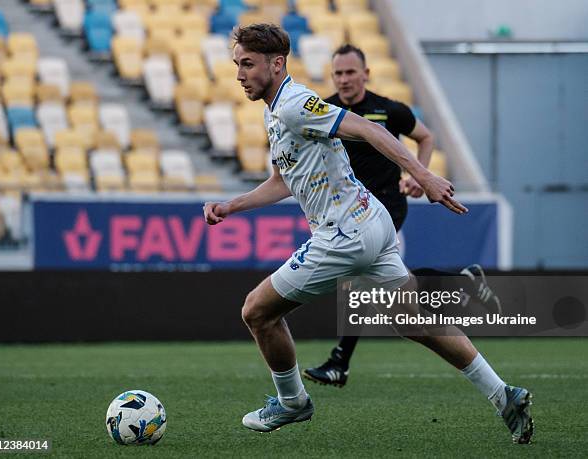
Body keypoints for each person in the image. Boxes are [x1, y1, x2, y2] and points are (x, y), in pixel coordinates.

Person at [203, 24, 533, 444]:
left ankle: (292, 402)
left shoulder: (295, 104)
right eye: (237, 64)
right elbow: (283, 181)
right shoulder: (276, 111)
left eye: (247, 64)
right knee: (413, 322)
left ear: (277, 63)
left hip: (344, 235)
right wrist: (232, 206)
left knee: (257, 312)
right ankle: (504, 395)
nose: (239, 74)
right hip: (371, 223)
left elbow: (370, 130)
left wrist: (424, 175)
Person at [303, 44, 501, 388]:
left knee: (360, 279)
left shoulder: (388, 109)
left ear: (366, 74)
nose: (344, 79)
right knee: (383, 282)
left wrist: (418, 175)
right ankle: (462, 279)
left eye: (350, 72)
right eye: (338, 73)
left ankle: (339, 363)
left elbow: (425, 137)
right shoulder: (327, 110)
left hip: (386, 206)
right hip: (350, 211)